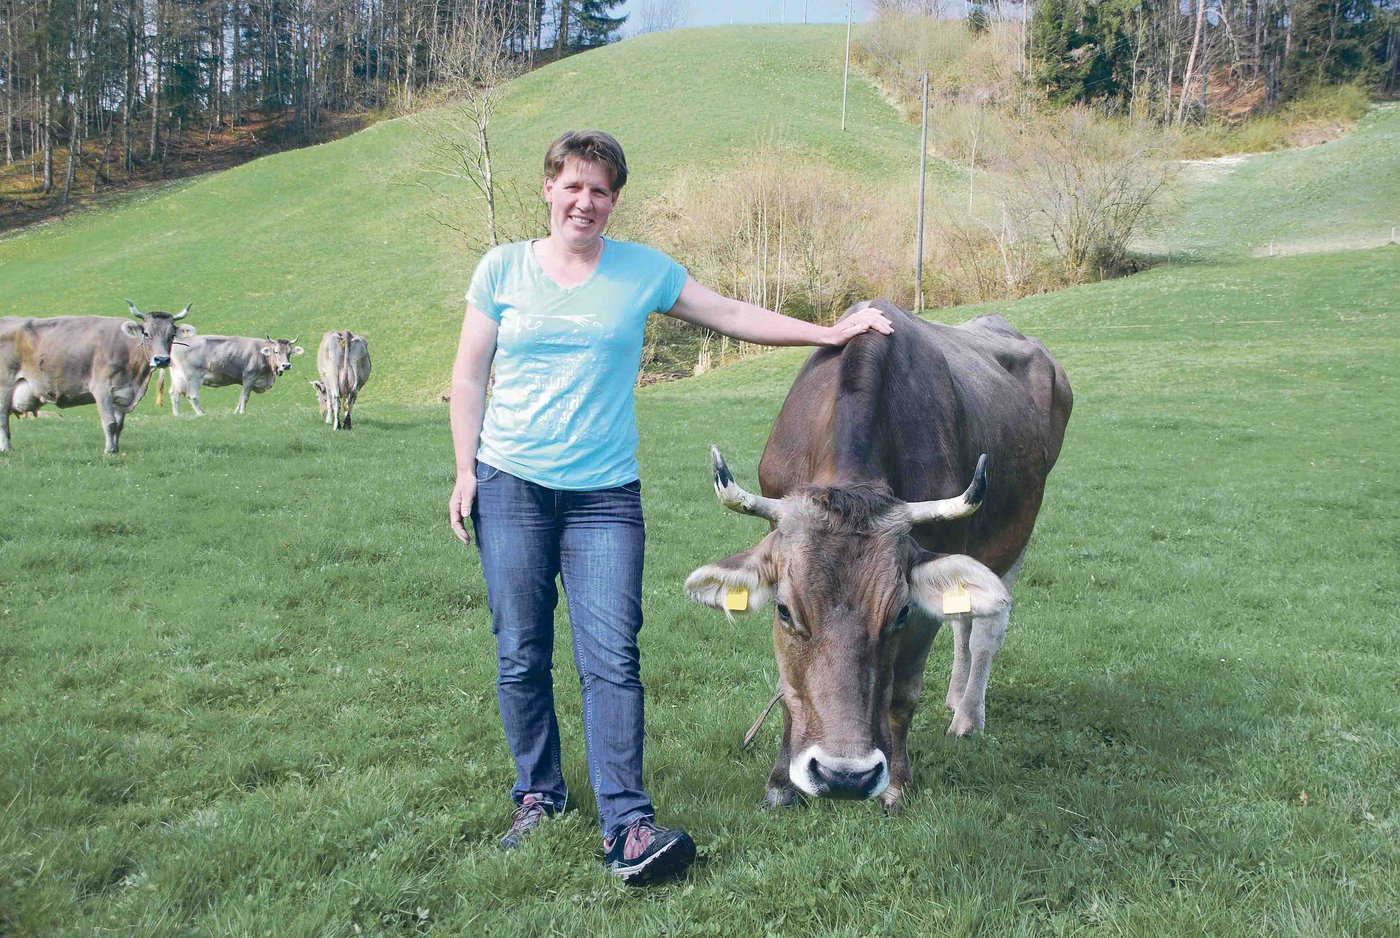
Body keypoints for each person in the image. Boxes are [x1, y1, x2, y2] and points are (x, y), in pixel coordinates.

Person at [447, 130, 892, 886]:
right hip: (511, 483)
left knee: (612, 657)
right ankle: (539, 794)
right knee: (521, 650)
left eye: (601, 191)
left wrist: (830, 332)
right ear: (548, 189)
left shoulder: (642, 271)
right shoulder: (502, 270)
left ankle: (627, 822)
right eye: (573, 186)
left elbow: (732, 314)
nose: (585, 202)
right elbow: (467, 377)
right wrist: (465, 470)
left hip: (603, 496)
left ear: (614, 201)